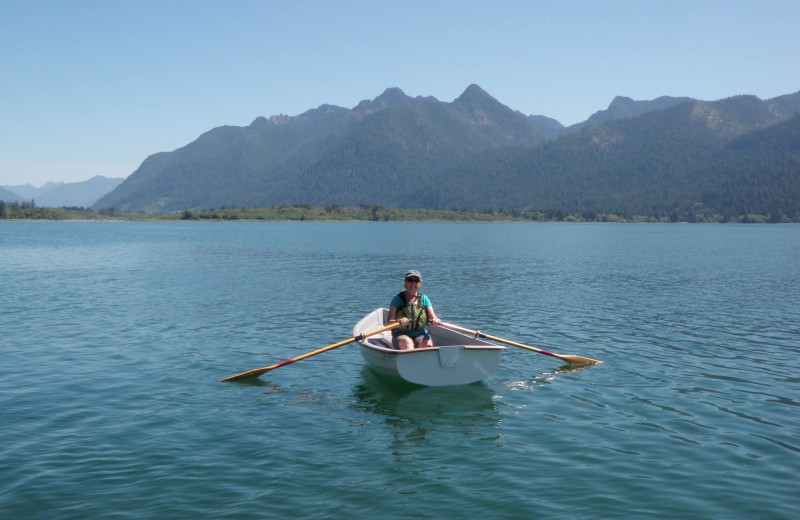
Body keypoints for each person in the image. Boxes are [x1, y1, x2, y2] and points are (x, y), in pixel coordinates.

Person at [387, 269, 442, 350]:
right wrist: (399, 321)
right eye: (410, 280)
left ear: (420, 283)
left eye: (416, 281)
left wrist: (435, 320)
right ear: (405, 282)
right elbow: (388, 323)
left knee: (427, 345)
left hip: (420, 334)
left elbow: (432, 318)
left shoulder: (424, 299)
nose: (413, 284)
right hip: (401, 334)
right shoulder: (397, 299)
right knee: (407, 343)